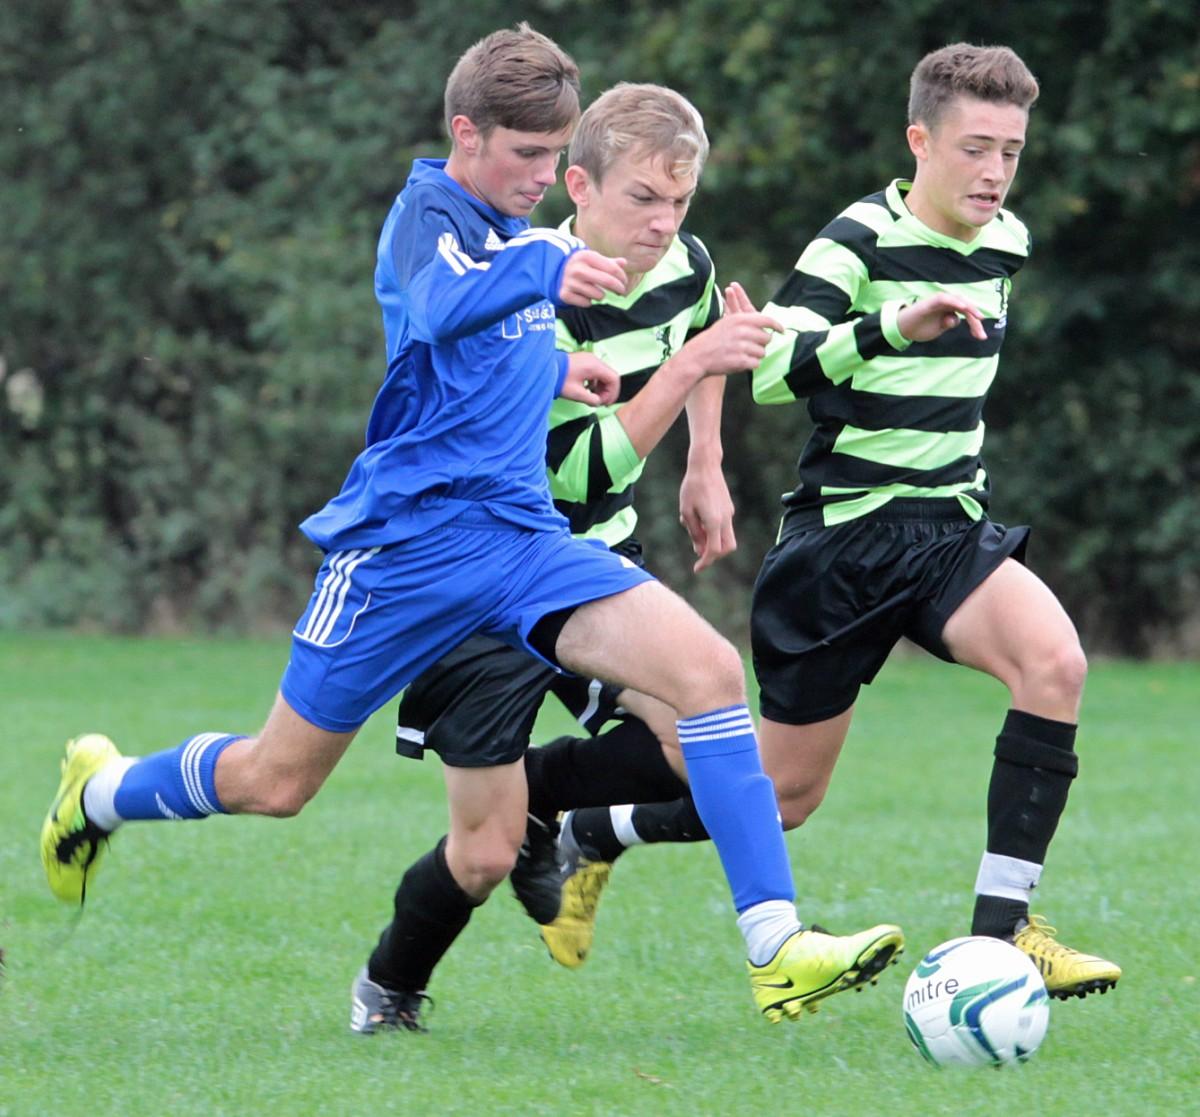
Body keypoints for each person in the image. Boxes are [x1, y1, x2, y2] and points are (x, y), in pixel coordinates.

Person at [41, 26, 902, 1028]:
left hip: (522, 542)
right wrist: (545, 272)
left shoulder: (522, 231)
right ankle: (101, 792)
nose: (543, 175)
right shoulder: (428, 216)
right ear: (466, 132)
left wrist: (558, 369)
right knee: (276, 781)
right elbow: (446, 303)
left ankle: (776, 948)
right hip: (404, 553)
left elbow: (486, 349)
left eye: (555, 153)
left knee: (707, 675)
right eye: (527, 155)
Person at [539, 43, 1122, 1003]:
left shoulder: (1010, 241)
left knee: (1055, 664)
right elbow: (770, 372)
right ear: (919, 140)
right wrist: (894, 326)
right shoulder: (853, 240)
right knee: (783, 800)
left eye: (1011, 152)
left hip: (945, 531)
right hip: (840, 547)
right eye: (975, 148)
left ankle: (1004, 936)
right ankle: (594, 827)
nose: (994, 172)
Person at [351, 80, 904, 1034]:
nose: (664, 223)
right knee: (480, 856)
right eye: (642, 200)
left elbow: (697, 337)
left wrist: (708, 460)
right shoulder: (535, 290)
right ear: (579, 185)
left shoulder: (684, 263)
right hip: (500, 569)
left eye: (680, 202)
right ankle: (388, 988)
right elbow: (575, 468)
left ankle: (762, 935)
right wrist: (693, 371)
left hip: (595, 564)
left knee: (708, 734)